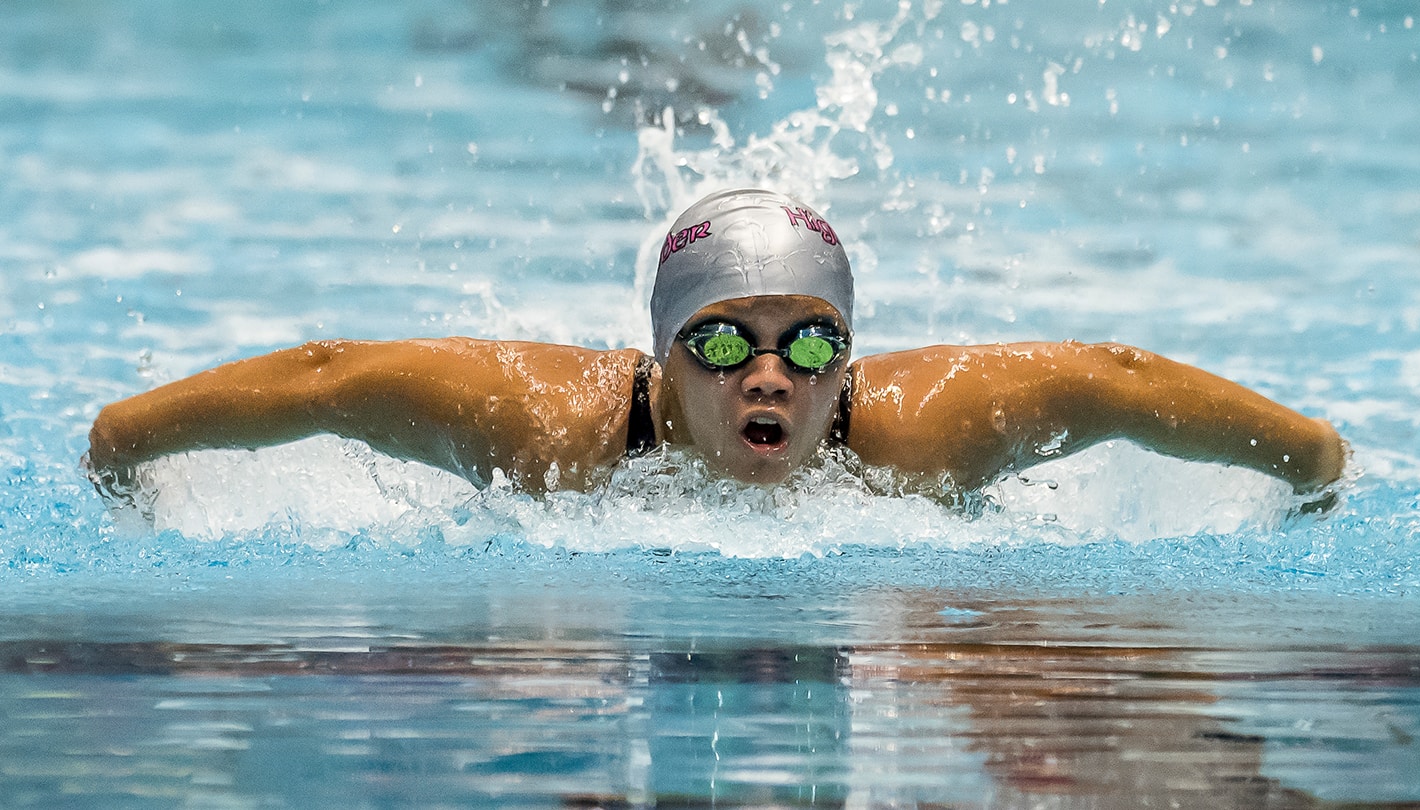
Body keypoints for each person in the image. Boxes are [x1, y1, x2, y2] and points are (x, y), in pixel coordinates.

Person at [84, 188, 1347, 508]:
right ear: (656, 357)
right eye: (722, 341)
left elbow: (1111, 380)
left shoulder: (922, 431)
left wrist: (1313, 463)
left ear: (849, 361)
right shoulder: (548, 428)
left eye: (811, 348)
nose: (766, 376)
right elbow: (329, 380)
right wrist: (122, 448)